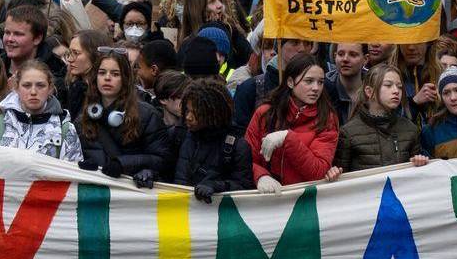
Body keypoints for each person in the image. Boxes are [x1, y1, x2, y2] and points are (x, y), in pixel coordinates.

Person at [243, 54, 341, 189]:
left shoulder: (327, 118)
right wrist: (260, 176)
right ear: (290, 82)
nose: (316, 88)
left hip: (303, 202)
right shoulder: (265, 113)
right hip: (266, 202)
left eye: (321, 82)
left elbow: (318, 171)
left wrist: (288, 138)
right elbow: (246, 159)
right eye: (309, 81)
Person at [75, 51, 168, 185]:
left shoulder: (147, 114)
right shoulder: (83, 118)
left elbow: (161, 159)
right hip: (97, 193)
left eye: (115, 74)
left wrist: (122, 164)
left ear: (125, 79)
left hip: (132, 195)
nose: (107, 78)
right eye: (102, 73)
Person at [329, 62, 428, 179]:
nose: (396, 91)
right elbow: (341, 181)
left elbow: (418, 180)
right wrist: (333, 173)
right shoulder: (348, 133)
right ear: (369, 92)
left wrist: (420, 163)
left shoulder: (410, 130)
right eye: (388, 85)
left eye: (399, 86)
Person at [0, 59, 80, 161]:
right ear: (16, 88)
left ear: (50, 89)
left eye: (40, 85)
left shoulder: (65, 130)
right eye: (26, 85)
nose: (33, 92)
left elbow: (72, 174)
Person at [172, 77, 251, 203]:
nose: (188, 117)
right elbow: (163, 170)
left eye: (196, 112)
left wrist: (217, 186)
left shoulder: (236, 146)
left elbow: (244, 187)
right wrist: (150, 172)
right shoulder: (179, 134)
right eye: (187, 110)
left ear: (214, 113)